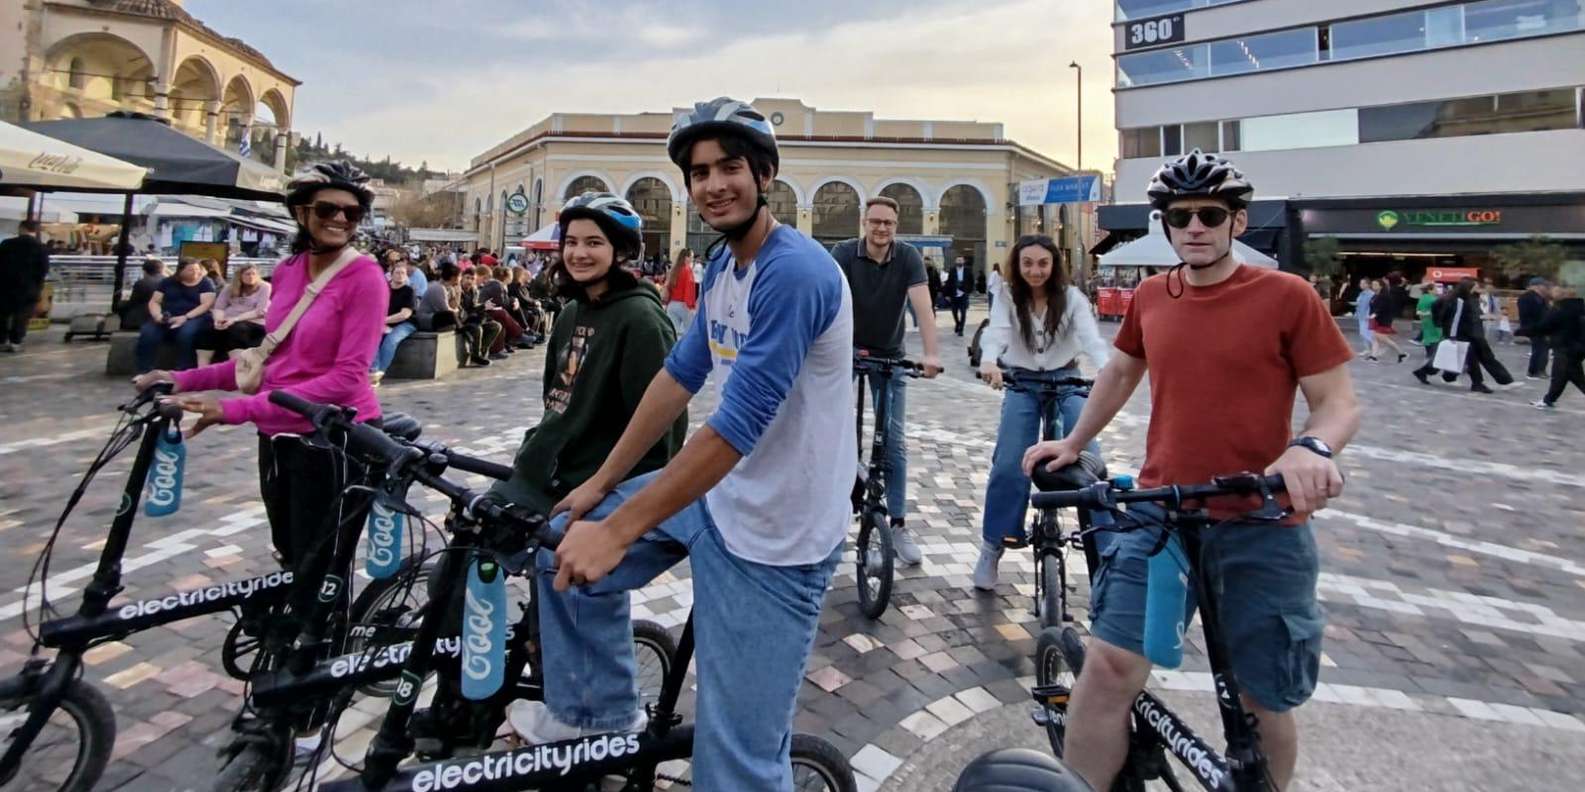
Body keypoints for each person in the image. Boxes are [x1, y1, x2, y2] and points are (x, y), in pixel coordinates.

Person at [512, 97, 853, 789]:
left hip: (777, 537)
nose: (714, 185)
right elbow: (678, 376)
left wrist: (618, 530)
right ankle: (597, 718)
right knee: (560, 544)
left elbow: (736, 426)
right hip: (717, 497)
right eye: (699, 173)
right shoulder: (724, 264)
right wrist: (601, 487)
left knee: (734, 765)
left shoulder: (794, 272)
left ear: (765, 176)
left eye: (730, 168)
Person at [1023, 150, 1359, 792]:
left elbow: (1337, 401)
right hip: (1163, 515)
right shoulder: (1152, 295)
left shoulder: (1287, 296)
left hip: (1261, 521)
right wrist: (1073, 440)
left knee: (1263, 699)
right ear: (1166, 224)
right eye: (1180, 217)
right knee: (1109, 669)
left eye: (1211, 214)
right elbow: (1121, 370)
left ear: (1237, 221)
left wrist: (1311, 449)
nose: (1195, 227)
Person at [133, 160, 385, 630]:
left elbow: (348, 377)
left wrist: (235, 409)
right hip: (277, 432)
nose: (340, 219)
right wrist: (181, 378)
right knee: (289, 551)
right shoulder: (288, 271)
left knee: (318, 567)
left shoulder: (364, 277)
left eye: (351, 213)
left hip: (333, 438)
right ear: (301, 212)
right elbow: (268, 360)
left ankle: (318, 657)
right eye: (327, 209)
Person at [973, 234, 1109, 590]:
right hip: (1022, 381)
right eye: (1028, 263)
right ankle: (994, 544)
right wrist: (989, 361)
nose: (1035, 271)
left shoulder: (1072, 298)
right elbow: (997, 332)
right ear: (1017, 265)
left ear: (1054, 265)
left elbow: (1091, 339)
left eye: (1043, 263)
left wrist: (1106, 370)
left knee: (1090, 458)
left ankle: (1107, 553)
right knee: (1009, 460)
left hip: (1068, 379)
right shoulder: (1007, 296)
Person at [831, 195, 943, 565]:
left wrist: (931, 353)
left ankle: (897, 524)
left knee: (893, 441)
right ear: (864, 223)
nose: (882, 229)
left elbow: (923, 308)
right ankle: (828, 516)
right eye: (875, 221)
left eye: (889, 223)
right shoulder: (844, 253)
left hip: (890, 354)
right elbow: (828, 300)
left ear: (896, 226)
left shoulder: (908, 257)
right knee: (828, 428)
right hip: (846, 351)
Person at [1414, 277, 1513, 393]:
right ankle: (1477, 383)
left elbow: (1467, 316)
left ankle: (1426, 372)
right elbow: (1456, 318)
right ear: (1468, 287)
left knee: (1454, 357)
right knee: (1469, 358)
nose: (1477, 288)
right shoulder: (1459, 300)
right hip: (1459, 334)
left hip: (1466, 333)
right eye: (1475, 286)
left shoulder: (1468, 298)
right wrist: (1450, 333)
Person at [1517, 274, 1584, 409]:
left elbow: (1545, 326)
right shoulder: (1579, 305)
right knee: (1561, 376)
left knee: (1573, 377)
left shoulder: (1561, 308)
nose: (1551, 290)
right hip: (1577, 348)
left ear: (1564, 291)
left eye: (1555, 288)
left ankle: (1548, 400)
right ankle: (1548, 400)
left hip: (1565, 348)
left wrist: (1521, 331)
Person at [136, 258, 216, 373]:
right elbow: (155, 301)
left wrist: (186, 317)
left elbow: (206, 304)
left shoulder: (205, 282)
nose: (195, 273)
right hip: (168, 315)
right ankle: (144, 370)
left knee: (186, 333)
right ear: (180, 270)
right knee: (148, 333)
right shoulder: (167, 282)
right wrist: (157, 315)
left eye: (197, 270)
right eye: (191, 270)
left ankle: (183, 369)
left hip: (195, 316)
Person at [198, 263, 271, 365]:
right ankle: (202, 367)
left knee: (237, 330)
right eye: (247, 274)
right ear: (239, 276)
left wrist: (234, 319)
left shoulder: (265, 287)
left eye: (253, 274)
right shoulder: (229, 288)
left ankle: (236, 366)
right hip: (228, 319)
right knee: (208, 329)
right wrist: (218, 320)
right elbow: (219, 307)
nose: (251, 277)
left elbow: (260, 311)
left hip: (253, 321)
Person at [0, 220, 51, 352]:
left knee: (3, 314)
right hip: (29, 287)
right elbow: (44, 269)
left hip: (6, 285)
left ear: (21, 228)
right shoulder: (40, 247)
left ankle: (1, 340)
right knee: (22, 315)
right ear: (35, 230)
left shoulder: (7, 244)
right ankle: (15, 341)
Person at [369, 262, 418, 385]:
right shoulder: (384, 289)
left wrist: (383, 321)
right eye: (397, 273)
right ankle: (373, 370)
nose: (400, 275)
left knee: (391, 340)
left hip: (406, 323)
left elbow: (404, 314)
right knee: (372, 337)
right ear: (391, 275)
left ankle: (378, 375)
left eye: (403, 273)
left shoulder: (409, 291)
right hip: (386, 321)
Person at [459, 268, 504, 362]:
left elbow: (474, 307)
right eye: (467, 278)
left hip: (472, 318)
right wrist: (482, 307)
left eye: (472, 278)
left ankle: (483, 352)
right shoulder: (458, 291)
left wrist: (483, 308)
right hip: (461, 321)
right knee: (477, 328)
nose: (469, 281)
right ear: (462, 278)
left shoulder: (474, 291)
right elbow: (463, 312)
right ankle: (476, 355)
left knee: (495, 326)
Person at [119, 257, 167, 331]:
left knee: (121, 305)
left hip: (143, 317)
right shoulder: (169, 281)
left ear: (145, 271)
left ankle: (123, 327)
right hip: (163, 314)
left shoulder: (141, 283)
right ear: (161, 270)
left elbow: (133, 301)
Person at [1518, 277, 1552, 380]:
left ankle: (1538, 370)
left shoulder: (1541, 298)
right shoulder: (1526, 297)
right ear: (1537, 286)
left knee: (1542, 348)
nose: (1545, 287)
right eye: (1544, 285)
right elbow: (1527, 314)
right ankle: (1535, 371)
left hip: (1541, 326)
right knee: (1540, 348)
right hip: (1534, 327)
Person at [1367, 277, 1406, 362]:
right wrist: (1371, 315)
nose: (1373, 286)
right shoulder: (1375, 296)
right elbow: (1373, 307)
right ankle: (1373, 356)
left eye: (1375, 284)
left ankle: (1402, 353)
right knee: (1375, 338)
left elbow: (1382, 308)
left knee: (1383, 339)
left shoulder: (1385, 296)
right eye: (1373, 284)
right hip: (1376, 320)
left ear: (1381, 286)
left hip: (1383, 320)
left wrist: (1374, 314)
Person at [663, 248, 697, 336]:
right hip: (684, 304)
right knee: (690, 333)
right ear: (686, 257)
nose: (692, 259)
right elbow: (689, 288)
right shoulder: (687, 270)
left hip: (672, 304)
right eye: (691, 257)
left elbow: (668, 286)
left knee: (674, 334)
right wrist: (691, 306)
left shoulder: (673, 270)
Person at [945, 255, 973, 335]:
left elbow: (971, 281)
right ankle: (957, 323)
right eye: (958, 260)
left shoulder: (968, 270)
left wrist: (968, 291)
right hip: (954, 295)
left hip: (963, 295)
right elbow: (949, 282)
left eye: (961, 260)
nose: (959, 262)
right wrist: (947, 294)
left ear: (963, 261)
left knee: (963, 313)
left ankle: (961, 329)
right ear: (955, 262)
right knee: (954, 312)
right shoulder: (952, 270)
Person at [1352, 277, 1375, 357]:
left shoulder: (1371, 294)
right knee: (1363, 333)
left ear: (1368, 285)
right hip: (1361, 315)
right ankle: (1368, 349)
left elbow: (1371, 306)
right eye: (1360, 283)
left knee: (1366, 333)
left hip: (1367, 316)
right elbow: (1359, 304)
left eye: (1363, 283)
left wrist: (1368, 315)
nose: (1361, 285)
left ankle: (1374, 348)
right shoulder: (1361, 293)